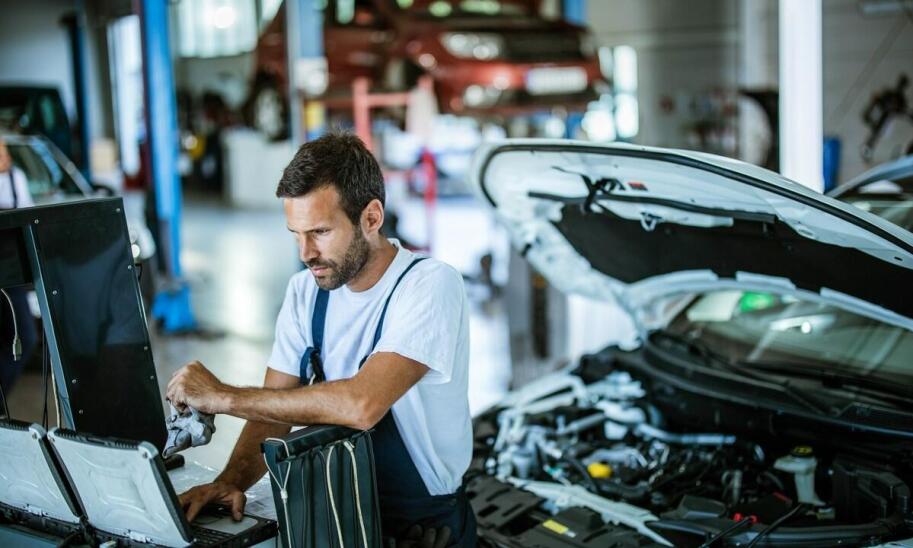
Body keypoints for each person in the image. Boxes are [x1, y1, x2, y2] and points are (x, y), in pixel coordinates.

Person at [166, 132, 476, 546]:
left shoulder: (429, 285)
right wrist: (229, 481)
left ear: (371, 217)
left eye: (319, 232)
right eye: (295, 233)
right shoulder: (305, 292)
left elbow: (362, 404)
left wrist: (223, 396)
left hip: (424, 527)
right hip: (338, 512)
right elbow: (271, 412)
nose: (305, 252)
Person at [0, 136, 38, 397]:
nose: (4, 155)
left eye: (4, 149)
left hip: (11, 278)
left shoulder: (17, 179)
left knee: (26, 336)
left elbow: (30, 220)